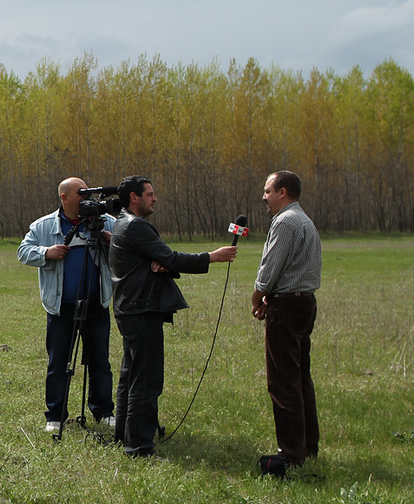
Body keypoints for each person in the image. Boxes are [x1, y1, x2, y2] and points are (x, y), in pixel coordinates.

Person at [108, 175, 237, 458]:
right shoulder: (136, 226)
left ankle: (124, 436)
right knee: (146, 380)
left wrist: (163, 264)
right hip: (141, 309)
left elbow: (164, 260)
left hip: (131, 308)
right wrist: (213, 256)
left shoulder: (123, 223)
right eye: (150, 194)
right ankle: (139, 447)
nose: (154, 199)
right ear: (134, 197)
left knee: (130, 376)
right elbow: (172, 258)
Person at [17, 177, 116, 434]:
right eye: (80, 194)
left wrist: (110, 241)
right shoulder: (44, 226)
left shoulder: (105, 222)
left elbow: (127, 245)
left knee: (100, 361)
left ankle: (103, 411)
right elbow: (23, 251)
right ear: (65, 198)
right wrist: (46, 252)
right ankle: (56, 416)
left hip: (97, 304)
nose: (86, 199)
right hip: (61, 307)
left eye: (87, 194)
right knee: (58, 362)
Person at [251, 170, 323, 476]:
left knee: (283, 381)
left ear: (283, 192)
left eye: (268, 191)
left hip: (287, 305)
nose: (264, 197)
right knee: (300, 377)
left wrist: (258, 296)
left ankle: (291, 453)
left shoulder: (285, 222)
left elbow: (271, 267)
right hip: (304, 302)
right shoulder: (304, 220)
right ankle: (307, 446)